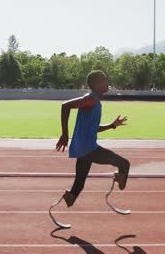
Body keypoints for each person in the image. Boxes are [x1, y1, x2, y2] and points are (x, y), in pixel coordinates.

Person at [55, 70, 130, 207]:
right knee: (124, 164)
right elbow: (65, 106)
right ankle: (120, 177)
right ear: (96, 84)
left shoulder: (94, 101)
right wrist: (65, 134)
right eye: (104, 80)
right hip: (88, 149)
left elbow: (94, 128)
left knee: (78, 186)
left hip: (84, 150)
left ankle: (65, 201)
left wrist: (112, 125)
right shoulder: (90, 99)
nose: (107, 82)